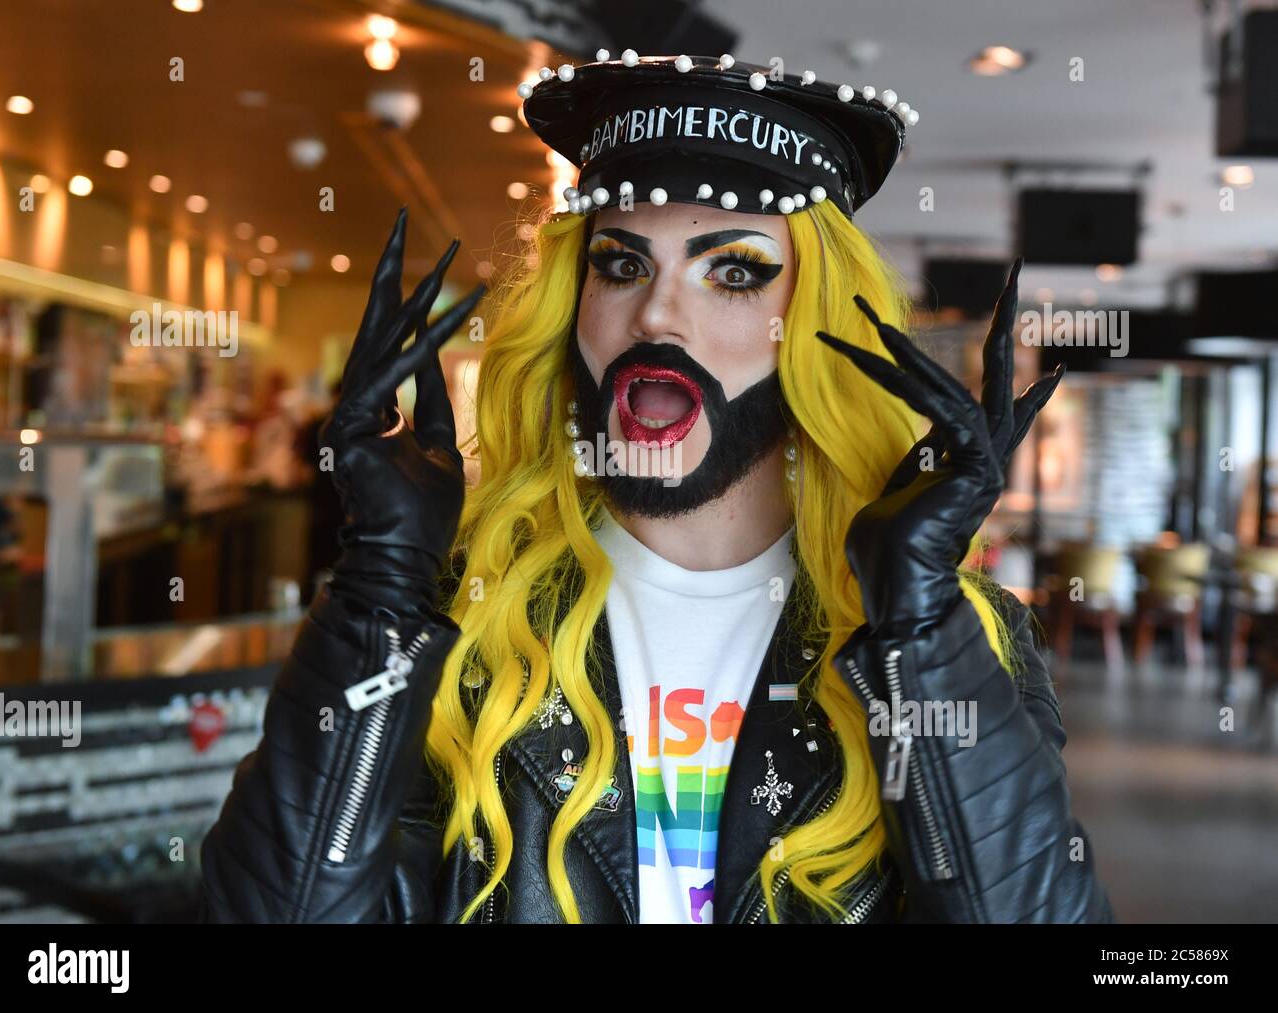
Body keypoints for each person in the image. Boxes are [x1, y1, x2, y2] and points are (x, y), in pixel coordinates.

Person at [200, 53, 1114, 923]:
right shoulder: (461, 622)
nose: (656, 313)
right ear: (575, 306)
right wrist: (381, 588)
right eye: (622, 264)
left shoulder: (954, 641)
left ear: (811, 329)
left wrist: (918, 622)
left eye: (735, 271)